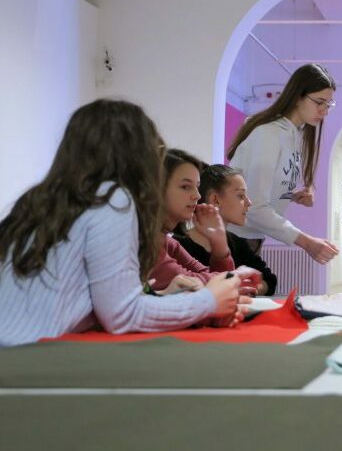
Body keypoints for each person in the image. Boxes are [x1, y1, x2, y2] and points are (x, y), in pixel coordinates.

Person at [0, 100, 245, 347]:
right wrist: (208, 302)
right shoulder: (113, 198)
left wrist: (168, 298)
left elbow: (87, 304)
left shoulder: (41, 198)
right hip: (28, 353)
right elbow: (122, 315)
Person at [226, 63, 339, 264]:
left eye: (328, 104)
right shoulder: (268, 134)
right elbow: (254, 206)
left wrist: (291, 195)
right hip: (232, 238)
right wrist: (307, 242)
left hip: (251, 237)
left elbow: (258, 190)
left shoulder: (293, 136)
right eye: (319, 102)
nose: (324, 111)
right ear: (297, 97)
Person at [148, 149, 259, 294]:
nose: (197, 195)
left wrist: (219, 243)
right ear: (156, 188)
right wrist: (234, 276)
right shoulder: (144, 242)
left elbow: (212, 282)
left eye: (197, 187)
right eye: (186, 187)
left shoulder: (168, 243)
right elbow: (190, 282)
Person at [175, 164, 278, 296]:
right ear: (215, 199)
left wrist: (243, 287)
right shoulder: (178, 245)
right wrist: (236, 285)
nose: (249, 202)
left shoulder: (237, 243)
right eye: (240, 196)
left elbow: (269, 281)